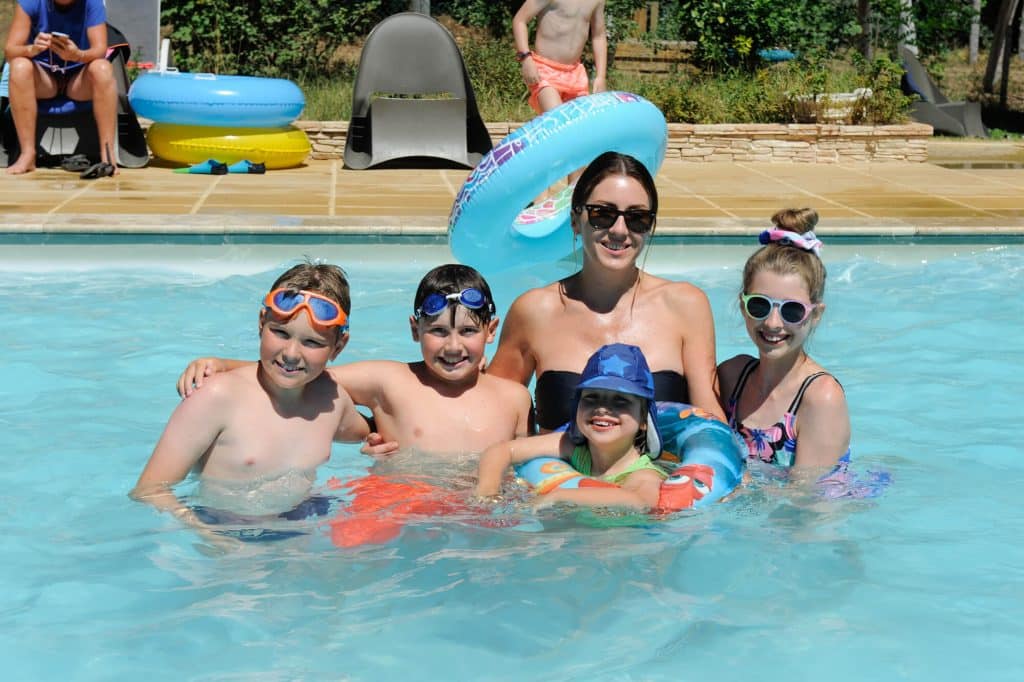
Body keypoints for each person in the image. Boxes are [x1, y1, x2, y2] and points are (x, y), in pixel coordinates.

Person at [176, 264, 534, 457]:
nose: (453, 346)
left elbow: (527, 468)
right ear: (414, 329)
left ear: (491, 331)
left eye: (467, 332)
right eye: (438, 332)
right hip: (403, 508)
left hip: (482, 514)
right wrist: (222, 364)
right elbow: (303, 369)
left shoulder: (515, 399)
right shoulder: (389, 380)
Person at [131, 262, 371, 539]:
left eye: (312, 343)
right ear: (261, 324)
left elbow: (376, 433)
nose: (291, 353)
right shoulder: (217, 397)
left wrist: (381, 448)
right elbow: (150, 490)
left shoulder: (332, 401)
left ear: (338, 347)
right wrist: (212, 538)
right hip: (222, 529)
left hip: (301, 526)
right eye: (280, 333)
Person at [487, 151, 724, 432]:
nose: (620, 230)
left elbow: (709, 419)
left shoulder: (685, 306)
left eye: (637, 217)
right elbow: (494, 412)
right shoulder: (535, 311)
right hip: (554, 474)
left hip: (658, 475)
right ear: (575, 220)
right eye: (603, 214)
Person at [716, 209, 850, 469]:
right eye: (759, 306)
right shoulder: (732, 377)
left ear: (816, 315)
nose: (773, 323)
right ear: (743, 307)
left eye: (791, 310)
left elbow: (805, 499)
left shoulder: (820, 397)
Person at [477, 343, 667, 510]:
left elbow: (641, 500)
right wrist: (488, 490)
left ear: (644, 420)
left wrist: (559, 496)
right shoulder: (573, 446)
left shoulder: (643, 474)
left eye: (621, 401)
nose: (602, 408)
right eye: (591, 397)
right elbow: (503, 450)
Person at [4, 0, 119, 175]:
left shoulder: (92, 3)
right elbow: (10, 51)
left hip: (78, 80)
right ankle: (28, 154)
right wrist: (32, 49)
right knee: (19, 66)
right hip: (44, 79)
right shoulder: (31, 2)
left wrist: (77, 55)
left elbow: (100, 50)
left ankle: (107, 155)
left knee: (102, 68)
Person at [513, 0, 607, 116]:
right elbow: (520, 20)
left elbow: (598, 36)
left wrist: (601, 76)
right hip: (545, 71)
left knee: (578, 122)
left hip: (575, 74)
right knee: (558, 117)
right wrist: (526, 58)